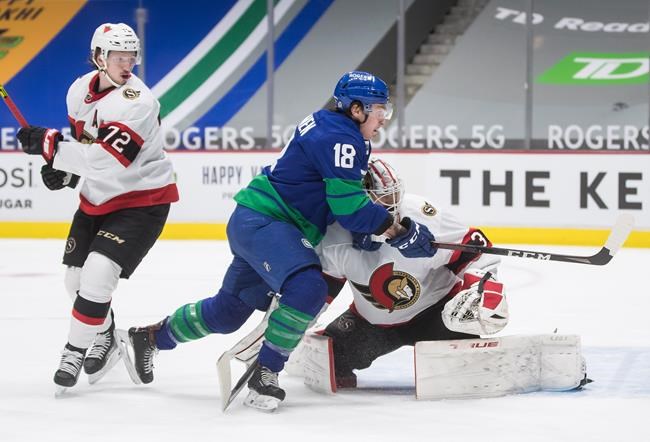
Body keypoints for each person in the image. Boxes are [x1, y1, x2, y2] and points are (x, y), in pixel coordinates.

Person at [128, 71, 438, 412]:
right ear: (356, 109)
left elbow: (334, 200)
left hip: (259, 221)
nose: (384, 118)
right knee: (308, 288)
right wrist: (399, 231)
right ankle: (266, 372)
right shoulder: (342, 139)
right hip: (269, 222)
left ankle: (151, 337)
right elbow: (349, 208)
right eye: (379, 110)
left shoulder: (338, 129)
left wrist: (369, 230)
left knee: (228, 312)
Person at [16, 23, 179, 393]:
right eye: (118, 57)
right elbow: (87, 146)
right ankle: (105, 338)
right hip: (98, 198)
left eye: (131, 57)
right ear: (98, 57)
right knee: (74, 282)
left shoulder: (138, 101)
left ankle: (73, 352)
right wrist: (67, 173)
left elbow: (106, 160)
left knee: (98, 274)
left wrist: (50, 146)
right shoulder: (78, 91)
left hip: (142, 200)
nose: (127, 64)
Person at [315, 157, 508, 388]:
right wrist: (294, 319)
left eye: (394, 195)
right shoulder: (334, 236)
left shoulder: (422, 214)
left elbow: (475, 252)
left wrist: (481, 286)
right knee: (329, 358)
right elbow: (320, 290)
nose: (393, 206)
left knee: (467, 368)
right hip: (372, 326)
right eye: (383, 198)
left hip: (437, 314)